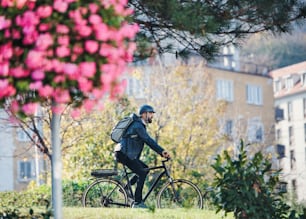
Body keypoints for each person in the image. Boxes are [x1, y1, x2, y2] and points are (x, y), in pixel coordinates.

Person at [114, 104, 170, 208]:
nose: (152, 116)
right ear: (144, 114)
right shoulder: (138, 125)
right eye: (151, 113)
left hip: (126, 154)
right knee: (142, 173)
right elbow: (148, 140)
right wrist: (162, 151)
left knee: (145, 169)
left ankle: (126, 188)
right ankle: (137, 202)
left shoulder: (139, 125)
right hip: (124, 154)